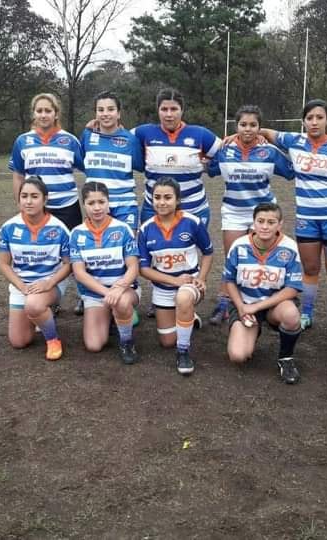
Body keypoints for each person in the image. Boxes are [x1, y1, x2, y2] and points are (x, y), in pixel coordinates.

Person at [259, 99, 327, 335]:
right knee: (310, 268)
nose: (314, 122)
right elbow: (263, 131)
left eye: (319, 117)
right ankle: (306, 314)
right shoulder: (295, 141)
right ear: (303, 121)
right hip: (306, 218)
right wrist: (237, 137)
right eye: (309, 118)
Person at [131, 88, 221, 317]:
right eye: (164, 109)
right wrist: (95, 126)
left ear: (182, 110)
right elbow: (116, 136)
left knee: (191, 249)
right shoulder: (143, 133)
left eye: (174, 109)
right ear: (158, 110)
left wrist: (258, 138)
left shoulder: (200, 134)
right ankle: (160, 297)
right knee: (155, 251)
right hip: (155, 206)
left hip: (194, 205)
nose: (169, 114)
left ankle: (191, 290)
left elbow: (227, 151)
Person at [207, 104, 295, 325]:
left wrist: (273, 141)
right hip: (234, 212)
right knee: (233, 259)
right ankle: (224, 303)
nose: (248, 129)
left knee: (262, 259)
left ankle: (268, 303)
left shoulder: (270, 152)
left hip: (264, 215)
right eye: (243, 124)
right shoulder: (224, 150)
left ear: (259, 127)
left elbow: (291, 171)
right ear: (236, 126)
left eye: (253, 125)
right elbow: (209, 169)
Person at [77, 91, 144, 317]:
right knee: (93, 251)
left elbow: (141, 165)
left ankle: (126, 297)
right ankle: (88, 296)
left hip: (124, 204)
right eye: (101, 109)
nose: (105, 114)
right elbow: (80, 162)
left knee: (125, 254)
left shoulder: (130, 140)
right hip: (95, 203)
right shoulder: (87, 136)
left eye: (110, 109)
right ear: (95, 113)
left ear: (119, 113)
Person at [138, 178, 213, 375]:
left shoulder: (192, 222)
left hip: (188, 285)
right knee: (166, 341)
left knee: (183, 297)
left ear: (177, 200)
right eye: (157, 197)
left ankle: (183, 352)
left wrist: (202, 278)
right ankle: (190, 318)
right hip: (163, 288)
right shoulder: (145, 229)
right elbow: (144, 270)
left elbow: (208, 252)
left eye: (168, 197)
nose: (162, 202)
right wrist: (174, 281)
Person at [224, 202, 304, 384]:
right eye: (260, 221)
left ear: (280, 224)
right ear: (253, 223)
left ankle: (286, 358)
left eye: (271, 222)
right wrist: (242, 307)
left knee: (291, 316)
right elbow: (228, 281)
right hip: (245, 304)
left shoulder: (290, 247)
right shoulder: (239, 245)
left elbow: (292, 288)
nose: (265, 226)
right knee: (238, 356)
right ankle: (253, 329)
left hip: (274, 305)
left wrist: (257, 307)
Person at [0, 178, 72, 360]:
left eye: (34, 196)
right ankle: (38, 317)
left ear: (45, 200)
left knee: (34, 304)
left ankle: (52, 339)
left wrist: (49, 283)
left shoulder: (59, 228)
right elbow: (4, 263)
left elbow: (69, 264)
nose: (28, 201)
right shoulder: (8, 227)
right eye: (24, 196)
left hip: (50, 283)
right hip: (21, 285)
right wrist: (21, 286)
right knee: (19, 341)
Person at [69, 182, 140, 364]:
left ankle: (126, 341)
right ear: (84, 205)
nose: (97, 207)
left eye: (101, 201)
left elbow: (133, 267)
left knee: (122, 303)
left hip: (123, 290)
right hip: (95, 295)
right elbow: (79, 273)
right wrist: (107, 293)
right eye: (91, 203)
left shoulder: (123, 229)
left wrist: (120, 287)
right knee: (94, 345)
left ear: (109, 203)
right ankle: (112, 317)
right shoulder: (77, 234)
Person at [9, 93, 84, 231]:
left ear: (56, 114)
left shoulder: (71, 141)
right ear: (34, 114)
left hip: (67, 207)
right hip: (36, 208)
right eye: (39, 111)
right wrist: (21, 204)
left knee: (68, 251)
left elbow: (88, 170)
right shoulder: (22, 141)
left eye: (48, 111)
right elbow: (18, 175)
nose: (43, 115)